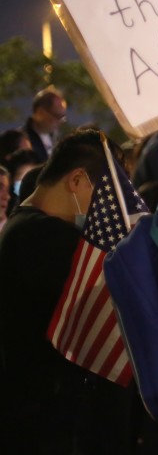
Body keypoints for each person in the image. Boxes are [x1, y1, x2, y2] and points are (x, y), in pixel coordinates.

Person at [0, 129, 110, 451]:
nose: (105, 207)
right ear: (76, 181)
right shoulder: (43, 234)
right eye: (103, 193)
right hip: (39, 412)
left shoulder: (25, 223)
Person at [22, 86, 67, 163]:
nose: (61, 121)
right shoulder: (23, 142)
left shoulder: (56, 139)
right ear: (40, 113)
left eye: (62, 117)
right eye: (57, 116)